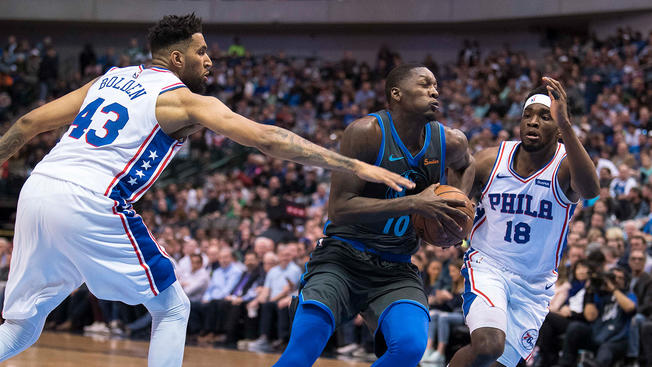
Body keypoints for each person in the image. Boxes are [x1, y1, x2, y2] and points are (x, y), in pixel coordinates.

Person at [0, 14, 413, 366]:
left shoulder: (109, 80)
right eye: (202, 52)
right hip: (90, 198)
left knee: (22, 325)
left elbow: (25, 126)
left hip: (38, 190)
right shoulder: (181, 100)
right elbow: (267, 138)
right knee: (174, 308)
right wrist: (352, 164)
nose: (210, 60)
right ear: (177, 58)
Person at [272, 63, 474, 367]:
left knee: (409, 348)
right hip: (343, 258)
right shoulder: (366, 133)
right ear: (396, 94)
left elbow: (467, 164)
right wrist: (413, 204)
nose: (435, 91)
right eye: (424, 84)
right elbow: (339, 209)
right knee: (304, 348)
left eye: (436, 86)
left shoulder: (449, 140)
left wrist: (453, 211)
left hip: (396, 267)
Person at [449, 78, 600, 367]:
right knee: (487, 346)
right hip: (488, 266)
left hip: (534, 285)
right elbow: (457, 191)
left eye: (545, 117)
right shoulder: (490, 161)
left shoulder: (565, 166)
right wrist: (455, 217)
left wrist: (567, 124)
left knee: (495, 363)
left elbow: (592, 190)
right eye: (527, 116)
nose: (533, 122)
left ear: (558, 127)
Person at [557, 266, 637, 367]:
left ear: (625, 282)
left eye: (619, 278)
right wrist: (591, 291)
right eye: (613, 277)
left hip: (616, 340)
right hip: (597, 335)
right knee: (575, 327)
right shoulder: (600, 294)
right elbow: (590, 317)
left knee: (606, 349)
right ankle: (565, 363)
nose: (615, 280)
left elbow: (630, 308)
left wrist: (613, 289)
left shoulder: (628, 295)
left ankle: (595, 365)